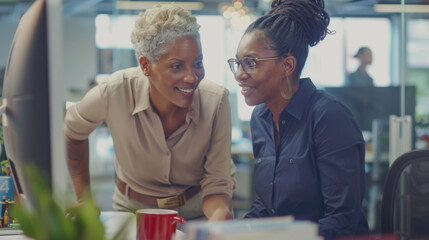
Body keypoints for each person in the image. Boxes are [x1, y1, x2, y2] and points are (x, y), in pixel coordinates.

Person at [64, 4, 235, 221]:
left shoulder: (216, 101)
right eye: (176, 66)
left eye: (198, 63)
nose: (192, 77)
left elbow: (217, 184)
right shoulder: (114, 92)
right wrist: (84, 201)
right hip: (132, 213)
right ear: (145, 65)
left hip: (197, 214)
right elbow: (72, 132)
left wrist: (220, 221)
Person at [227, 0, 369, 239]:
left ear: (287, 65)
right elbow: (268, 206)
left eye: (250, 63)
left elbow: (342, 219)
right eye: (238, 63)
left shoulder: (329, 117)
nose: (240, 75)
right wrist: (234, 232)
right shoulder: (260, 117)